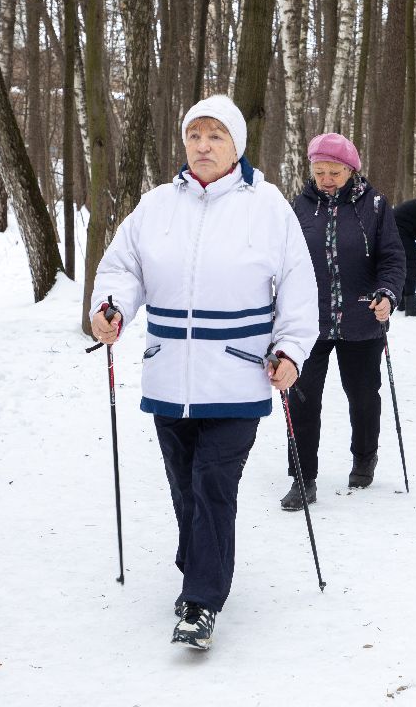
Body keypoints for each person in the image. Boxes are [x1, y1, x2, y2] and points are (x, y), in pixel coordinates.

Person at [89, 95, 319, 650]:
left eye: (216, 135)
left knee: (213, 483)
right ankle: (198, 566)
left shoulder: (267, 207)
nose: (203, 145)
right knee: (184, 485)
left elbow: (297, 288)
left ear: (237, 145)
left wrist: (290, 351)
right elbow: (123, 268)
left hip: (238, 378)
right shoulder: (156, 206)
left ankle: (201, 599)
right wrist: (111, 307)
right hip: (169, 377)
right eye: (195, 135)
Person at [280, 133, 406, 510]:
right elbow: (283, 261)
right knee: (302, 399)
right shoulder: (298, 207)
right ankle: (303, 478)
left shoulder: (375, 205)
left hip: (362, 317)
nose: (326, 179)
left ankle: (365, 456)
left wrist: (387, 293)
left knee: (363, 396)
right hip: (310, 322)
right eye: (319, 172)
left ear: (351, 170)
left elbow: (392, 258)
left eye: (334, 172)